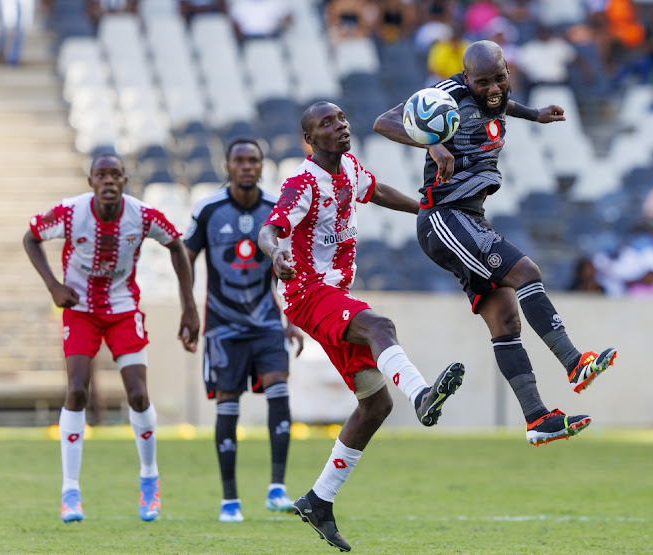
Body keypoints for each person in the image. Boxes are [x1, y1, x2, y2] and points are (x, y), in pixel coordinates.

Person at [374, 40, 617, 447]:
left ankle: (538, 419)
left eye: (499, 79)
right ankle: (575, 364)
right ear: (465, 78)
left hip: (469, 215)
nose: (492, 89)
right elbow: (383, 121)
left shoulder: (495, 95)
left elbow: (498, 105)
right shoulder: (445, 96)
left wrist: (533, 115)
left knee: (504, 317)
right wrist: (429, 141)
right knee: (525, 271)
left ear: (508, 71)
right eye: (482, 82)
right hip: (444, 216)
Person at [258, 101, 465, 552]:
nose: (341, 126)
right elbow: (270, 230)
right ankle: (424, 395)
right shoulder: (302, 181)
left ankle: (319, 499)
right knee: (380, 326)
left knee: (375, 405)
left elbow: (378, 191)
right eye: (327, 124)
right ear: (310, 140)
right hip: (308, 294)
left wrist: (425, 211)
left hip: (337, 295)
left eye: (341, 119)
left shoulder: (349, 167)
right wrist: (277, 255)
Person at [23, 153, 200, 523]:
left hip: (122, 309)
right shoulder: (71, 212)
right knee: (76, 390)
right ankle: (70, 490)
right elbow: (31, 237)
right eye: (100, 175)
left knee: (138, 394)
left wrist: (189, 307)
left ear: (124, 180)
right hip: (80, 308)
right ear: (90, 182)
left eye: (115, 175)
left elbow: (177, 247)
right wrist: (54, 286)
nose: (108, 181)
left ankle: (149, 478)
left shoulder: (143, 215)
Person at [184, 138, 304, 522]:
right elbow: (184, 258)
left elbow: (291, 266)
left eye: (253, 160)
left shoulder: (276, 210)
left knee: (280, 390)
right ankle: (230, 500)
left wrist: (292, 317)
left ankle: (277, 488)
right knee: (228, 405)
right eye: (240, 161)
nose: (247, 166)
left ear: (262, 165)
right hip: (222, 326)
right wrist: (188, 310)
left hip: (267, 322)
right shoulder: (208, 210)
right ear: (228, 166)